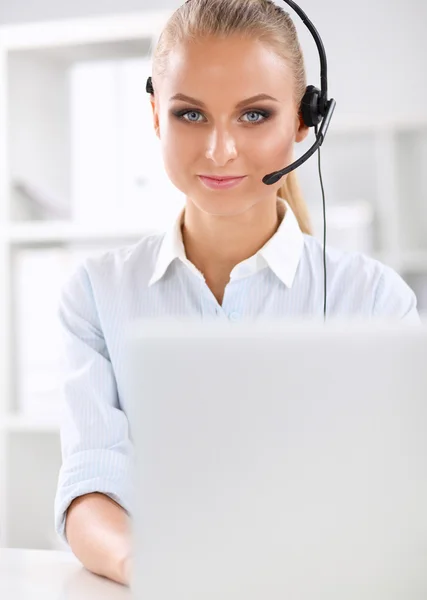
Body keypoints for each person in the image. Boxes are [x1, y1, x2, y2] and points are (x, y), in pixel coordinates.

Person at [53, 0, 420, 588]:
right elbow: (89, 485)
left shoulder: (374, 301)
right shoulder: (97, 293)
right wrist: (156, 568)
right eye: (190, 115)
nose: (219, 149)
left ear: (304, 122)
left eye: (253, 116)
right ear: (154, 114)